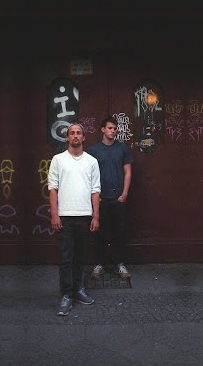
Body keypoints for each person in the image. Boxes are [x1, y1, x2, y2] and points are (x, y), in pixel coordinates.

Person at [47, 122, 100, 316]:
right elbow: (52, 188)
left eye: (79, 133)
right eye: (72, 133)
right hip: (65, 216)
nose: (75, 136)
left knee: (80, 257)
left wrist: (96, 216)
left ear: (83, 137)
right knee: (65, 258)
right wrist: (54, 214)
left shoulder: (91, 162)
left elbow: (95, 190)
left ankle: (78, 290)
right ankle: (66, 295)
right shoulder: (58, 160)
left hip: (84, 216)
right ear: (67, 137)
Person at [84, 116, 134, 280]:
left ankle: (120, 264)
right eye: (110, 128)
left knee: (119, 232)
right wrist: (94, 197)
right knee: (100, 233)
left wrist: (124, 193)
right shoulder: (93, 151)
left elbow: (128, 172)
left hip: (118, 198)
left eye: (115, 128)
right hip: (100, 199)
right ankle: (100, 264)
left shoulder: (122, 149)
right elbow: (89, 176)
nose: (113, 131)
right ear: (103, 130)